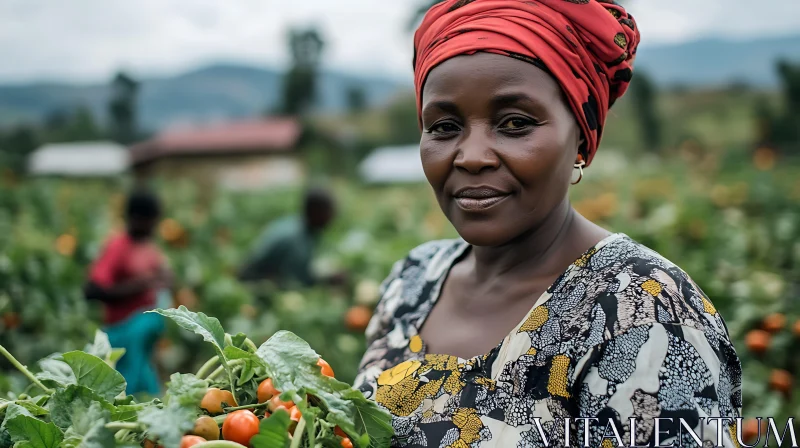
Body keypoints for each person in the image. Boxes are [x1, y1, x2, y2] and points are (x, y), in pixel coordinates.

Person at [354, 1, 742, 447]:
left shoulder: (646, 317)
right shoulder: (412, 281)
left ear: (580, 134)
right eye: (444, 126)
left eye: (515, 123)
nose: (472, 156)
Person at [84, 188, 172, 396]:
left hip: (142, 339)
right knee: (123, 389)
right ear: (138, 218)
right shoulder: (117, 247)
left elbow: (162, 280)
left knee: (146, 386)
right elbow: (92, 290)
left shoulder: (149, 247)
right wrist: (140, 285)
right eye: (152, 220)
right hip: (122, 332)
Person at [237, 187, 343, 287]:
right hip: (252, 283)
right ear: (316, 212)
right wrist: (326, 280)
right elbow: (293, 282)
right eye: (329, 212)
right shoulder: (295, 241)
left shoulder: (295, 223)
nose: (332, 217)